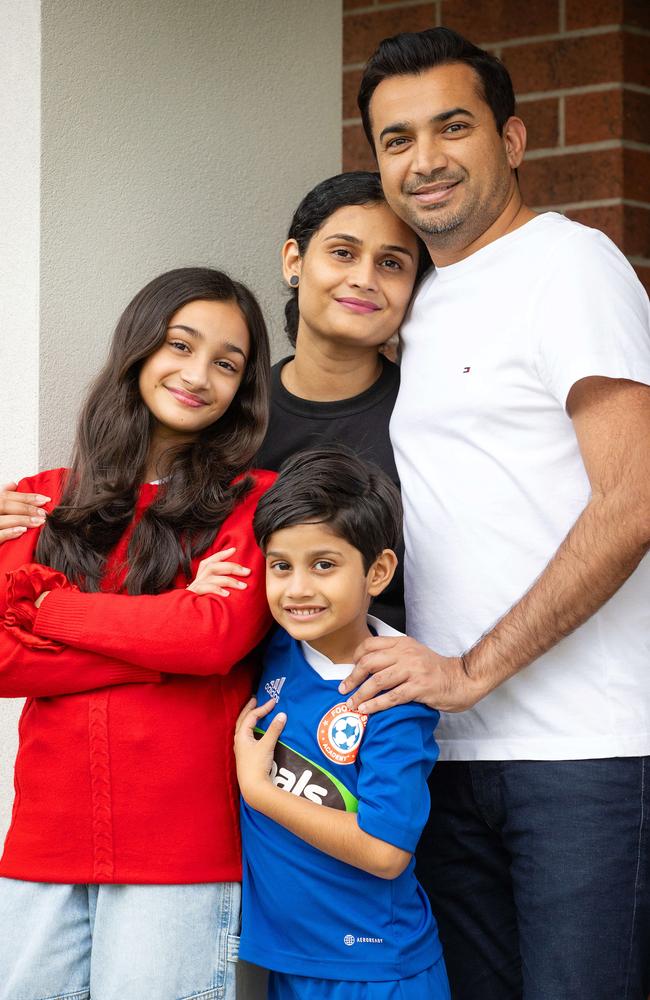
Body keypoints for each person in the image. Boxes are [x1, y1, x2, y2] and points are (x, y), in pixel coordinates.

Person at [337, 26, 650, 1000]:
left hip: (580, 754)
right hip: (444, 752)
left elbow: (633, 497)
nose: (423, 160)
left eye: (451, 127)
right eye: (396, 140)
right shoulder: (414, 303)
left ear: (511, 140)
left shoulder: (569, 265)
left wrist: (473, 668)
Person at [0, 267, 275, 1000]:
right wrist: (162, 644)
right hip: (44, 838)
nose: (198, 374)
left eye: (227, 362)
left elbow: (211, 638)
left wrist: (48, 613)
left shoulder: (257, 502)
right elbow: (0, 657)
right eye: (180, 346)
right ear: (139, 350)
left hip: (179, 846)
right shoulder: (40, 500)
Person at [0, 172, 427, 630]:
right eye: (343, 253)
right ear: (293, 261)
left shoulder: (429, 416)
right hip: (216, 687)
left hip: (369, 686)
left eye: (392, 264)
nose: (364, 279)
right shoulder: (220, 409)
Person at [234, 448, 450, 1000]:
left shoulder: (393, 689)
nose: (298, 589)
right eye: (281, 566)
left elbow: (385, 852)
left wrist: (260, 790)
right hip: (289, 961)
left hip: (377, 969)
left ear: (377, 571)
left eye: (324, 565)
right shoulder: (279, 649)